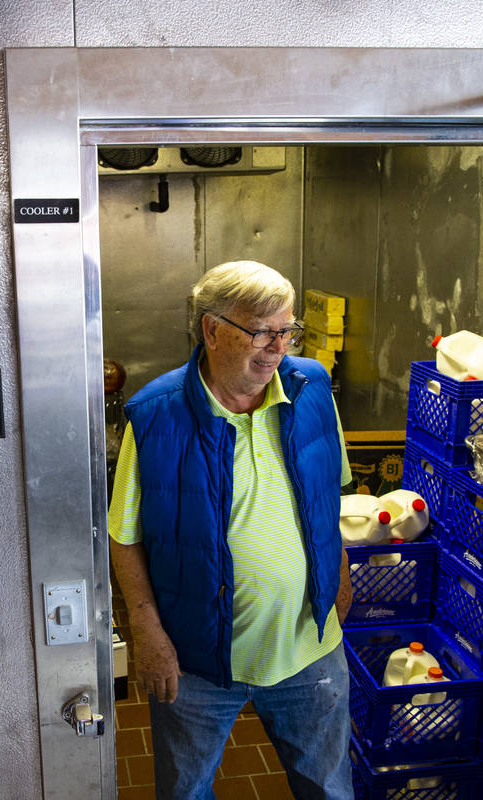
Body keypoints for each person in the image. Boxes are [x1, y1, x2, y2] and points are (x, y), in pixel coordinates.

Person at [108, 260, 354, 800]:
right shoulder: (155, 415)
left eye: (287, 331)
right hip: (196, 658)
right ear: (211, 329)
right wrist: (147, 633)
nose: (277, 348)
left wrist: (340, 573)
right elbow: (124, 536)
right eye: (261, 331)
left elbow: (329, 490)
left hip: (308, 647)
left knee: (329, 790)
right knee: (185, 792)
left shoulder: (312, 388)